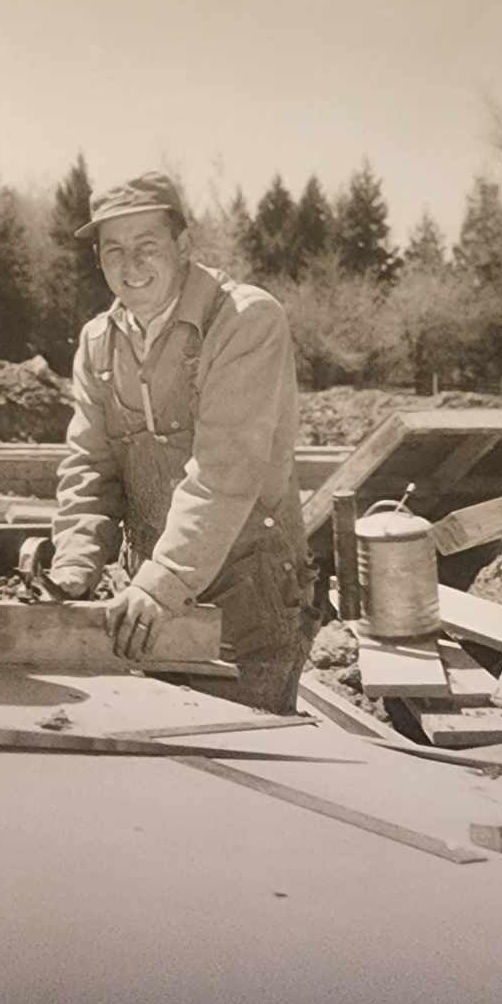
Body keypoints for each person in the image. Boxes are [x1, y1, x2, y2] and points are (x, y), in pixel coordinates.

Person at [47, 170, 315, 712]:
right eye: (114, 250)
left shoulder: (244, 320)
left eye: (148, 246)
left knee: (250, 765)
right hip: (147, 593)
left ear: (184, 245)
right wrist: (76, 563)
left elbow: (225, 471)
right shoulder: (99, 342)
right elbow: (90, 467)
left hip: (247, 589)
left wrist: (162, 582)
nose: (131, 265)